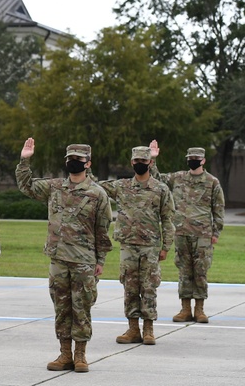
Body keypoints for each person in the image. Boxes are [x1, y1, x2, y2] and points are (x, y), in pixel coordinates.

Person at [17, 139, 112, 372]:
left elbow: (103, 229)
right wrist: (25, 160)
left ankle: (80, 355)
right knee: (61, 307)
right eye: (69, 159)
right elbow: (26, 186)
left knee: (82, 307)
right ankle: (64, 353)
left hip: (84, 260)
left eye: (78, 160)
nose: (73, 163)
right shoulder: (55, 187)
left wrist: (100, 261)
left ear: (88, 163)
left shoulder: (97, 194)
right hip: (59, 259)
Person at [97, 146, 174, 345]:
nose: (140, 164)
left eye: (144, 161)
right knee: (130, 287)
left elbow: (167, 219)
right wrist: (85, 163)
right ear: (132, 163)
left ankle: (148, 329)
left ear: (150, 163)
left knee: (149, 287)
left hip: (150, 247)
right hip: (128, 246)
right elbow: (96, 185)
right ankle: (133, 329)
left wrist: (166, 246)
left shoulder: (160, 189)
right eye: (137, 161)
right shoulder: (121, 186)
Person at [149, 141, 225, 323]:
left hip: (203, 234)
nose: (193, 161)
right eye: (190, 158)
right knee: (184, 271)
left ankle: (199, 309)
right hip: (181, 233)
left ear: (203, 160)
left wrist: (216, 232)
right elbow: (156, 178)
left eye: (196, 159)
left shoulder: (212, 182)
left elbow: (219, 209)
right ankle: (185, 309)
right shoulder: (178, 178)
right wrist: (152, 159)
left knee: (200, 271)